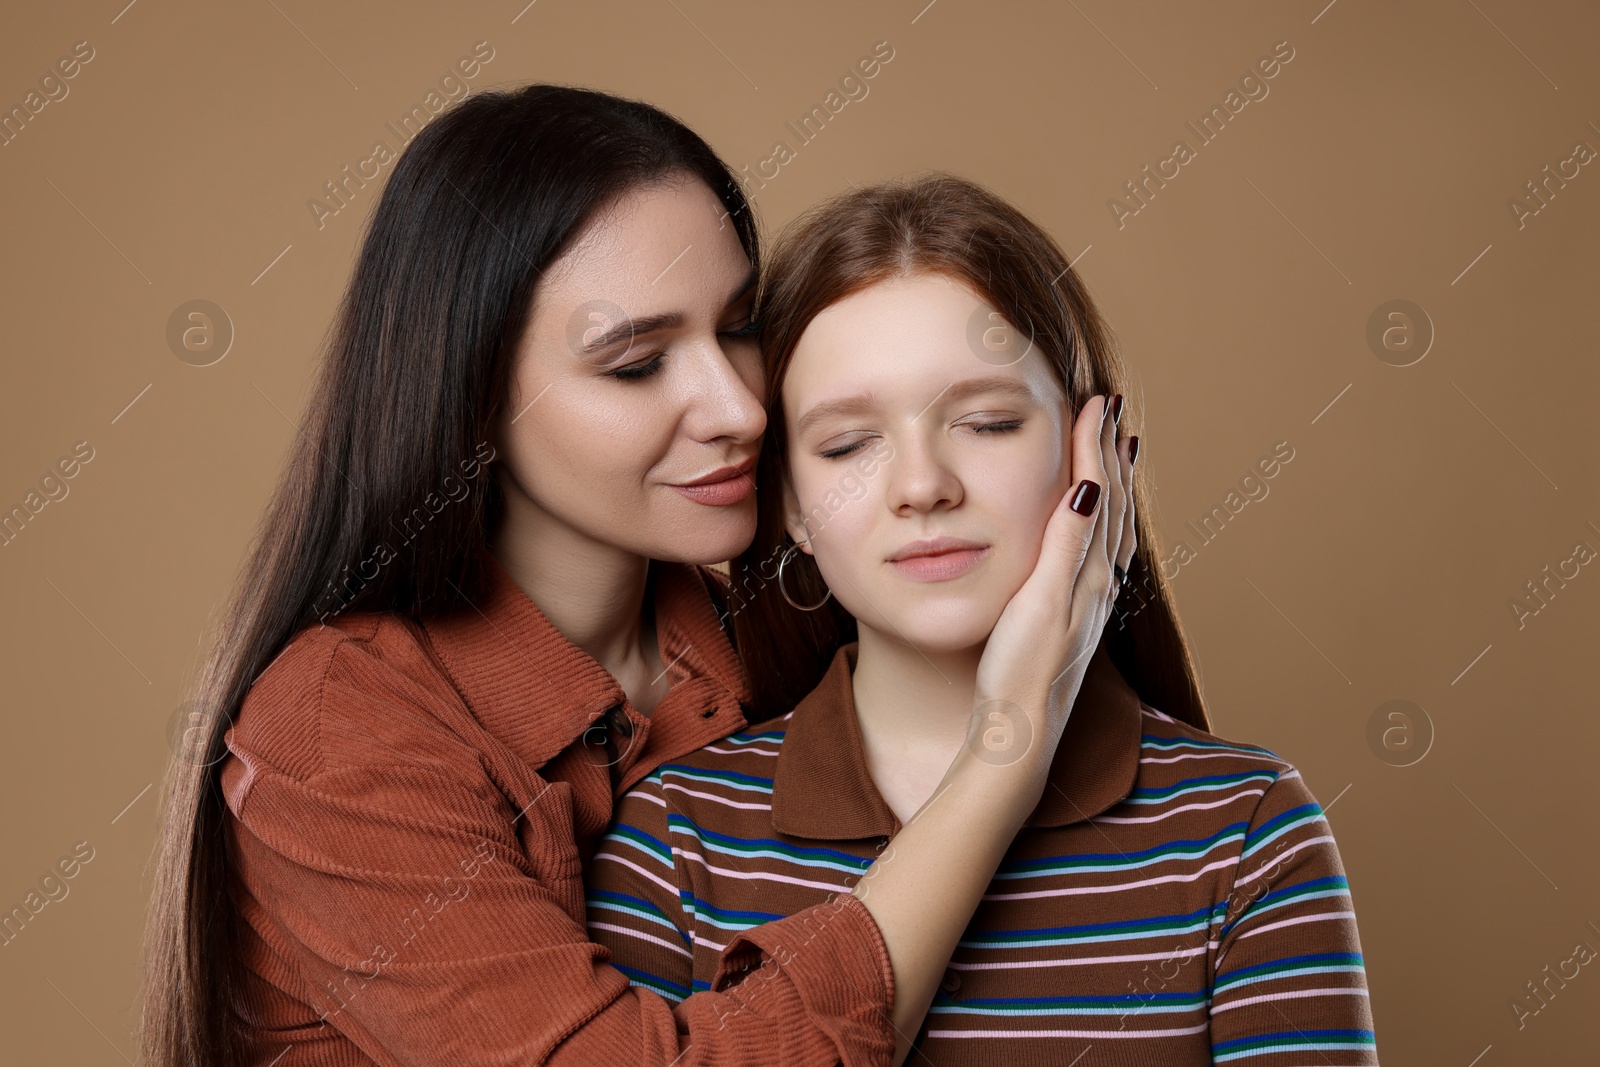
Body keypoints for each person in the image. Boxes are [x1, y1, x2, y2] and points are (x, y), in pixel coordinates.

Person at [140, 87, 1132, 1067]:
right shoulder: (342, 731)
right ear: (474, 402)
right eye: (636, 362)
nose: (739, 407)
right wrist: (1008, 745)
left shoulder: (783, 623)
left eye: (739, 325)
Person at [585, 174, 1380, 1063]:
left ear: (1098, 458)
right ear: (793, 508)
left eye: (989, 422)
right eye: (848, 444)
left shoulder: (1246, 834)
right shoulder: (674, 836)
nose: (923, 486)